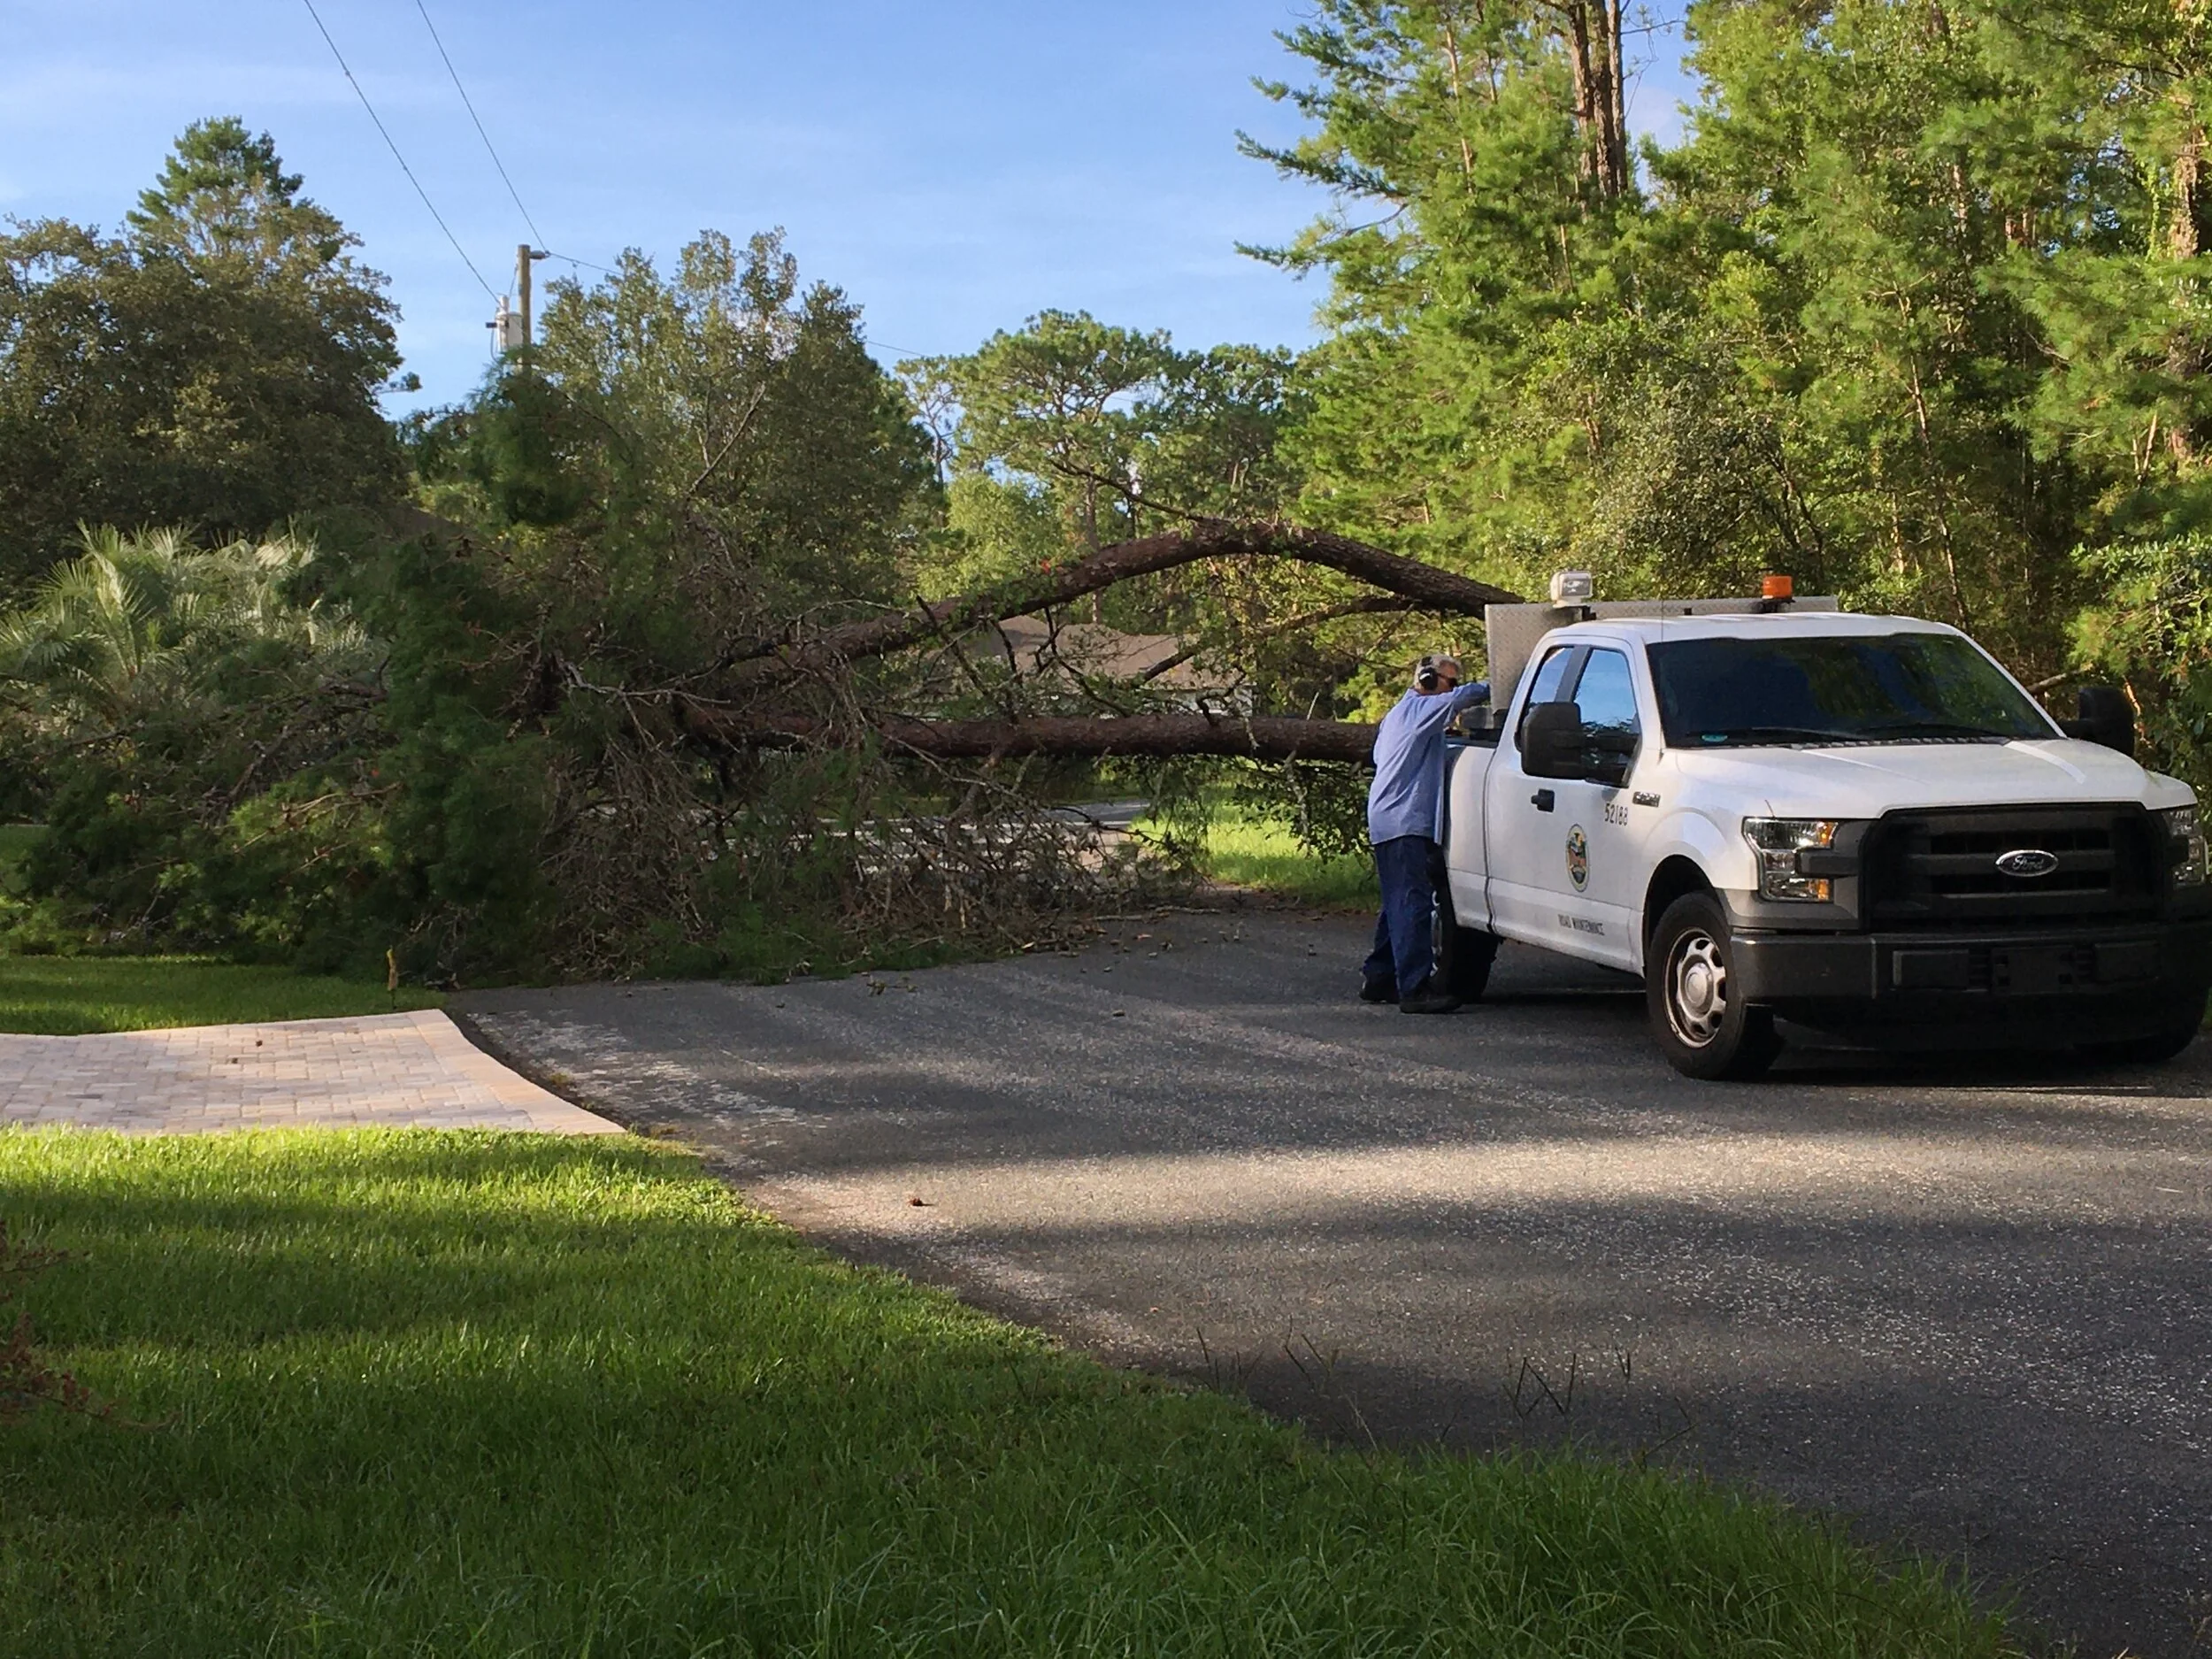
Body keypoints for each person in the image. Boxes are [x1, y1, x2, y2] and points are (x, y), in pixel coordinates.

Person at [1362, 653, 1489, 1013]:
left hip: (1390, 819)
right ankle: (1415, 988)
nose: (1451, 688)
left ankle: (1380, 976)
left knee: (1397, 902)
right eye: (1449, 681)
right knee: (1412, 903)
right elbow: (1464, 698)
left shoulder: (1398, 715)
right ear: (1430, 680)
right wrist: (1503, 682)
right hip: (1404, 820)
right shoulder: (1420, 709)